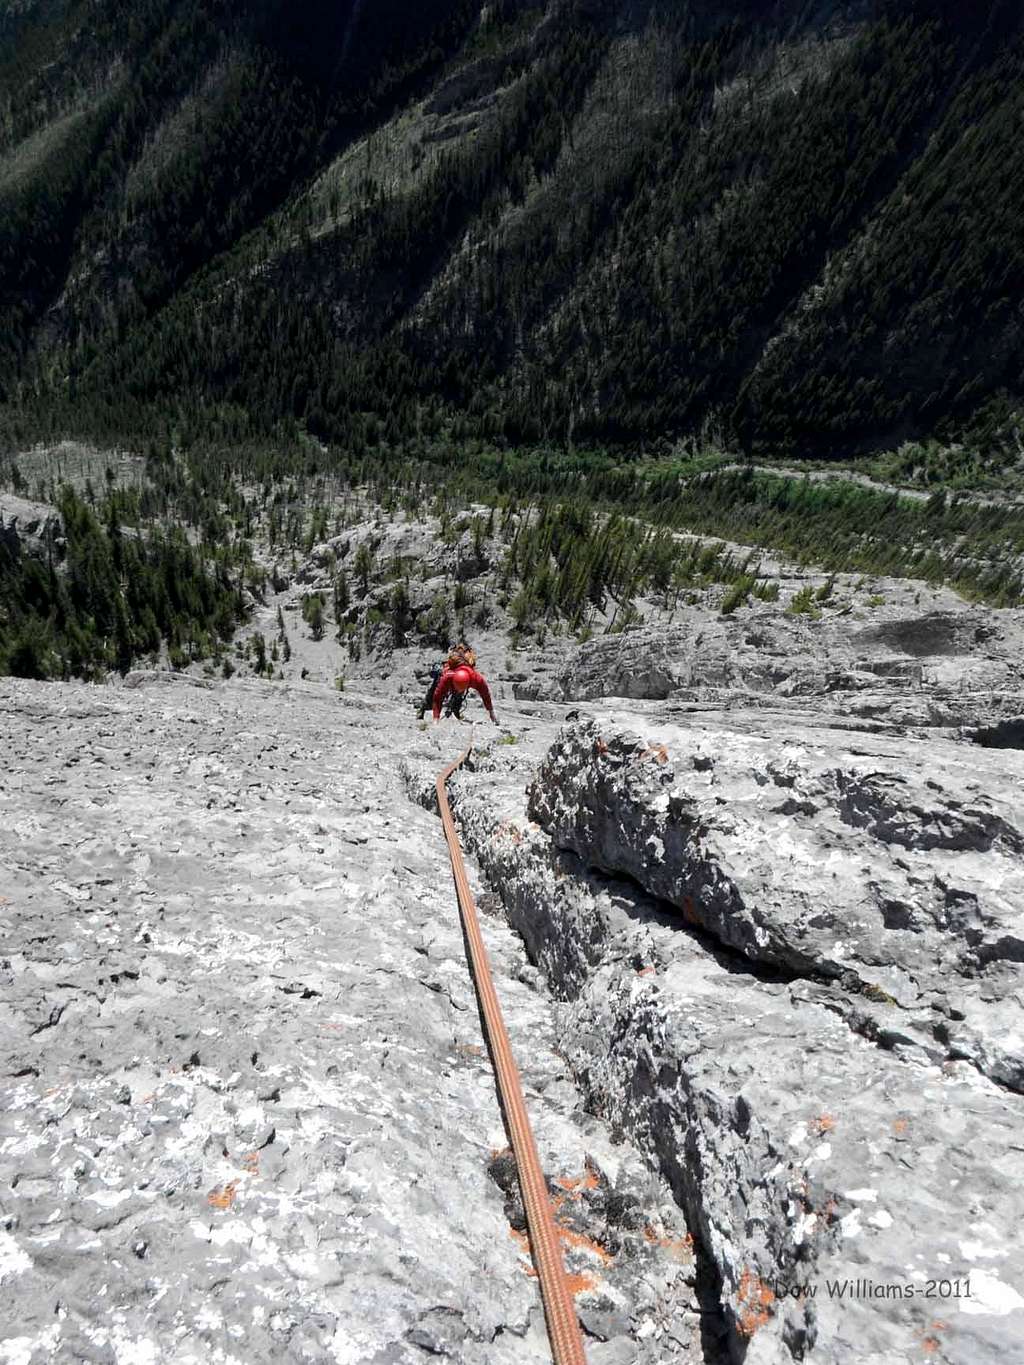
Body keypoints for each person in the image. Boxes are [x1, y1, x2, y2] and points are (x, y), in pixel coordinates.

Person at [420, 643, 498, 724]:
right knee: (432, 694)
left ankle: (455, 712)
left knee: (458, 699)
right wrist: (435, 718)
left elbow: (486, 695)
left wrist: (492, 714)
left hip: (462, 679)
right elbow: (438, 697)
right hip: (447, 676)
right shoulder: (447, 676)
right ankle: (422, 709)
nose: (459, 690)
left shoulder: (476, 678)